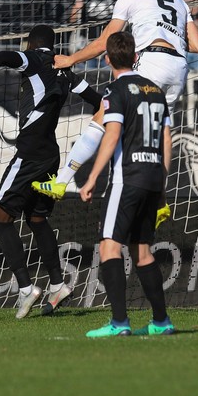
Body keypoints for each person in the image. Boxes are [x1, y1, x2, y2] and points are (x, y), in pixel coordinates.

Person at [33, 0, 198, 202]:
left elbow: (106, 41)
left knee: (103, 118)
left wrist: (71, 60)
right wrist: (168, 32)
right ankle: (160, 197)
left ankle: (61, 182)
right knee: (160, 131)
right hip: (178, 67)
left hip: (151, 61)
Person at [0, 25, 101, 318]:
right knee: (37, 218)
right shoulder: (65, 71)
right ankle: (57, 283)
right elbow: (97, 101)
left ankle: (27, 289)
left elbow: (3, 56)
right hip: (51, 155)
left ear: (31, 44)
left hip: (29, 155)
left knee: (1, 218)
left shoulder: (34, 59)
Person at [79, 31, 175, 338]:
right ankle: (161, 322)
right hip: (152, 177)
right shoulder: (157, 91)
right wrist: (162, 182)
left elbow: (111, 134)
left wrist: (92, 176)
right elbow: (167, 140)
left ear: (107, 59)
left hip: (127, 177)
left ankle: (119, 323)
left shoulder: (116, 90)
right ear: (136, 57)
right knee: (142, 251)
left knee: (109, 246)